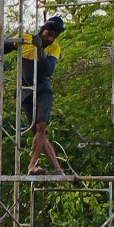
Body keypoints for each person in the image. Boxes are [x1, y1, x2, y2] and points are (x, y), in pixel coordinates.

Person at [19, 15, 67, 176]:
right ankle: (58, 169)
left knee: (41, 126)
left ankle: (32, 165)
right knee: (39, 133)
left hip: (42, 90)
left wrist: (40, 50)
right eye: (50, 32)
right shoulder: (25, 39)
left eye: (55, 35)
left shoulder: (54, 48)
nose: (52, 37)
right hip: (26, 90)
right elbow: (3, 46)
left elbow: (48, 70)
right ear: (43, 29)